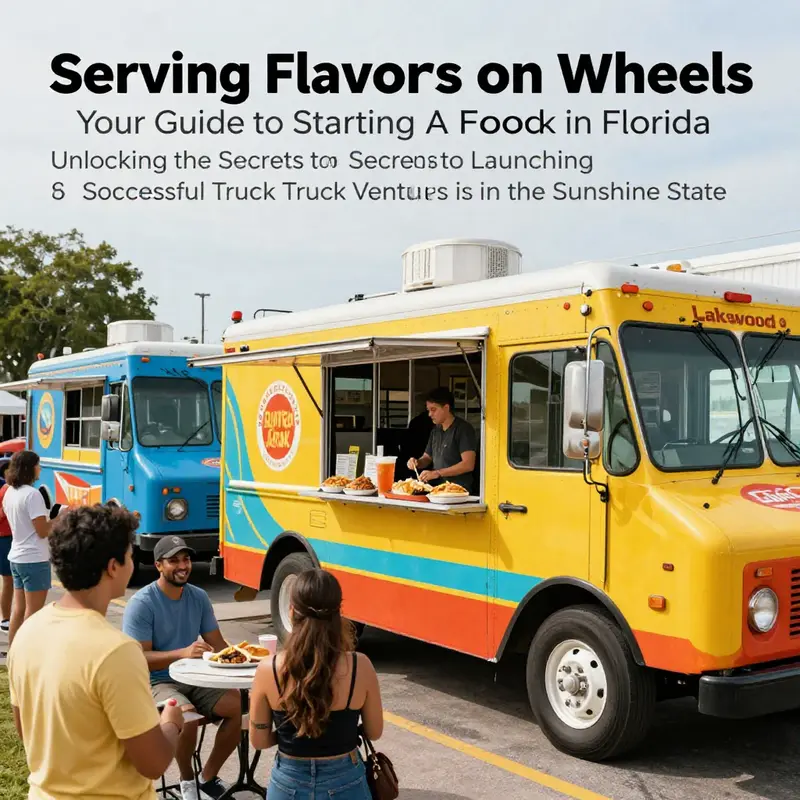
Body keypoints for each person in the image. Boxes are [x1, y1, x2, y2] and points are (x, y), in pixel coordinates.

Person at [7, 504, 185, 800]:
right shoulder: (116, 651)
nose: (133, 562)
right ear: (113, 567)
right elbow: (153, 764)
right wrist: (171, 725)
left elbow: (27, 732)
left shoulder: (27, 631)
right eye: (130, 555)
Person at [123, 536, 241, 800]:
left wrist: (248, 657)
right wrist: (183, 653)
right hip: (157, 682)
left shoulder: (198, 597)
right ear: (158, 565)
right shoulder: (142, 603)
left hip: (194, 676)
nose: (182, 565)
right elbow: (137, 657)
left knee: (236, 703)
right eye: (173, 560)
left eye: (186, 559)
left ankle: (207, 778)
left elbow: (219, 644)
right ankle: (187, 782)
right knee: (185, 716)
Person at [249, 568, 384, 799]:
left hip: (288, 781)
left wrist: (289, 735)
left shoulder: (268, 669)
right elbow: (374, 731)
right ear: (339, 612)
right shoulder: (360, 666)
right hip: (346, 779)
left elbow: (259, 740)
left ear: (291, 612)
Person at [2, 450, 55, 645]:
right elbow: (42, 531)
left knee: (19, 609)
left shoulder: (9, 492)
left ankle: (14, 652)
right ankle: (28, 654)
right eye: (38, 465)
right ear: (30, 468)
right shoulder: (33, 495)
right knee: (34, 614)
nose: (40, 468)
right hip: (34, 559)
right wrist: (60, 519)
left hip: (16, 556)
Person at [406, 387, 478, 493]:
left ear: (446, 408)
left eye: (433, 410)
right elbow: (427, 457)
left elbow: (468, 464)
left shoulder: (463, 429)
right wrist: (417, 462)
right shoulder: (435, 431)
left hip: (458, 491)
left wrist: (437, 473)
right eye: (428, 410)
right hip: (437, 490)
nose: (430, 414)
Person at [0, 482, 13, 633]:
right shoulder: (6, 491)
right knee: (9, 581)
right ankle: (5, 618)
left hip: (11, 538)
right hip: (4, 538)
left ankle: (7, 618)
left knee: (12, 582)